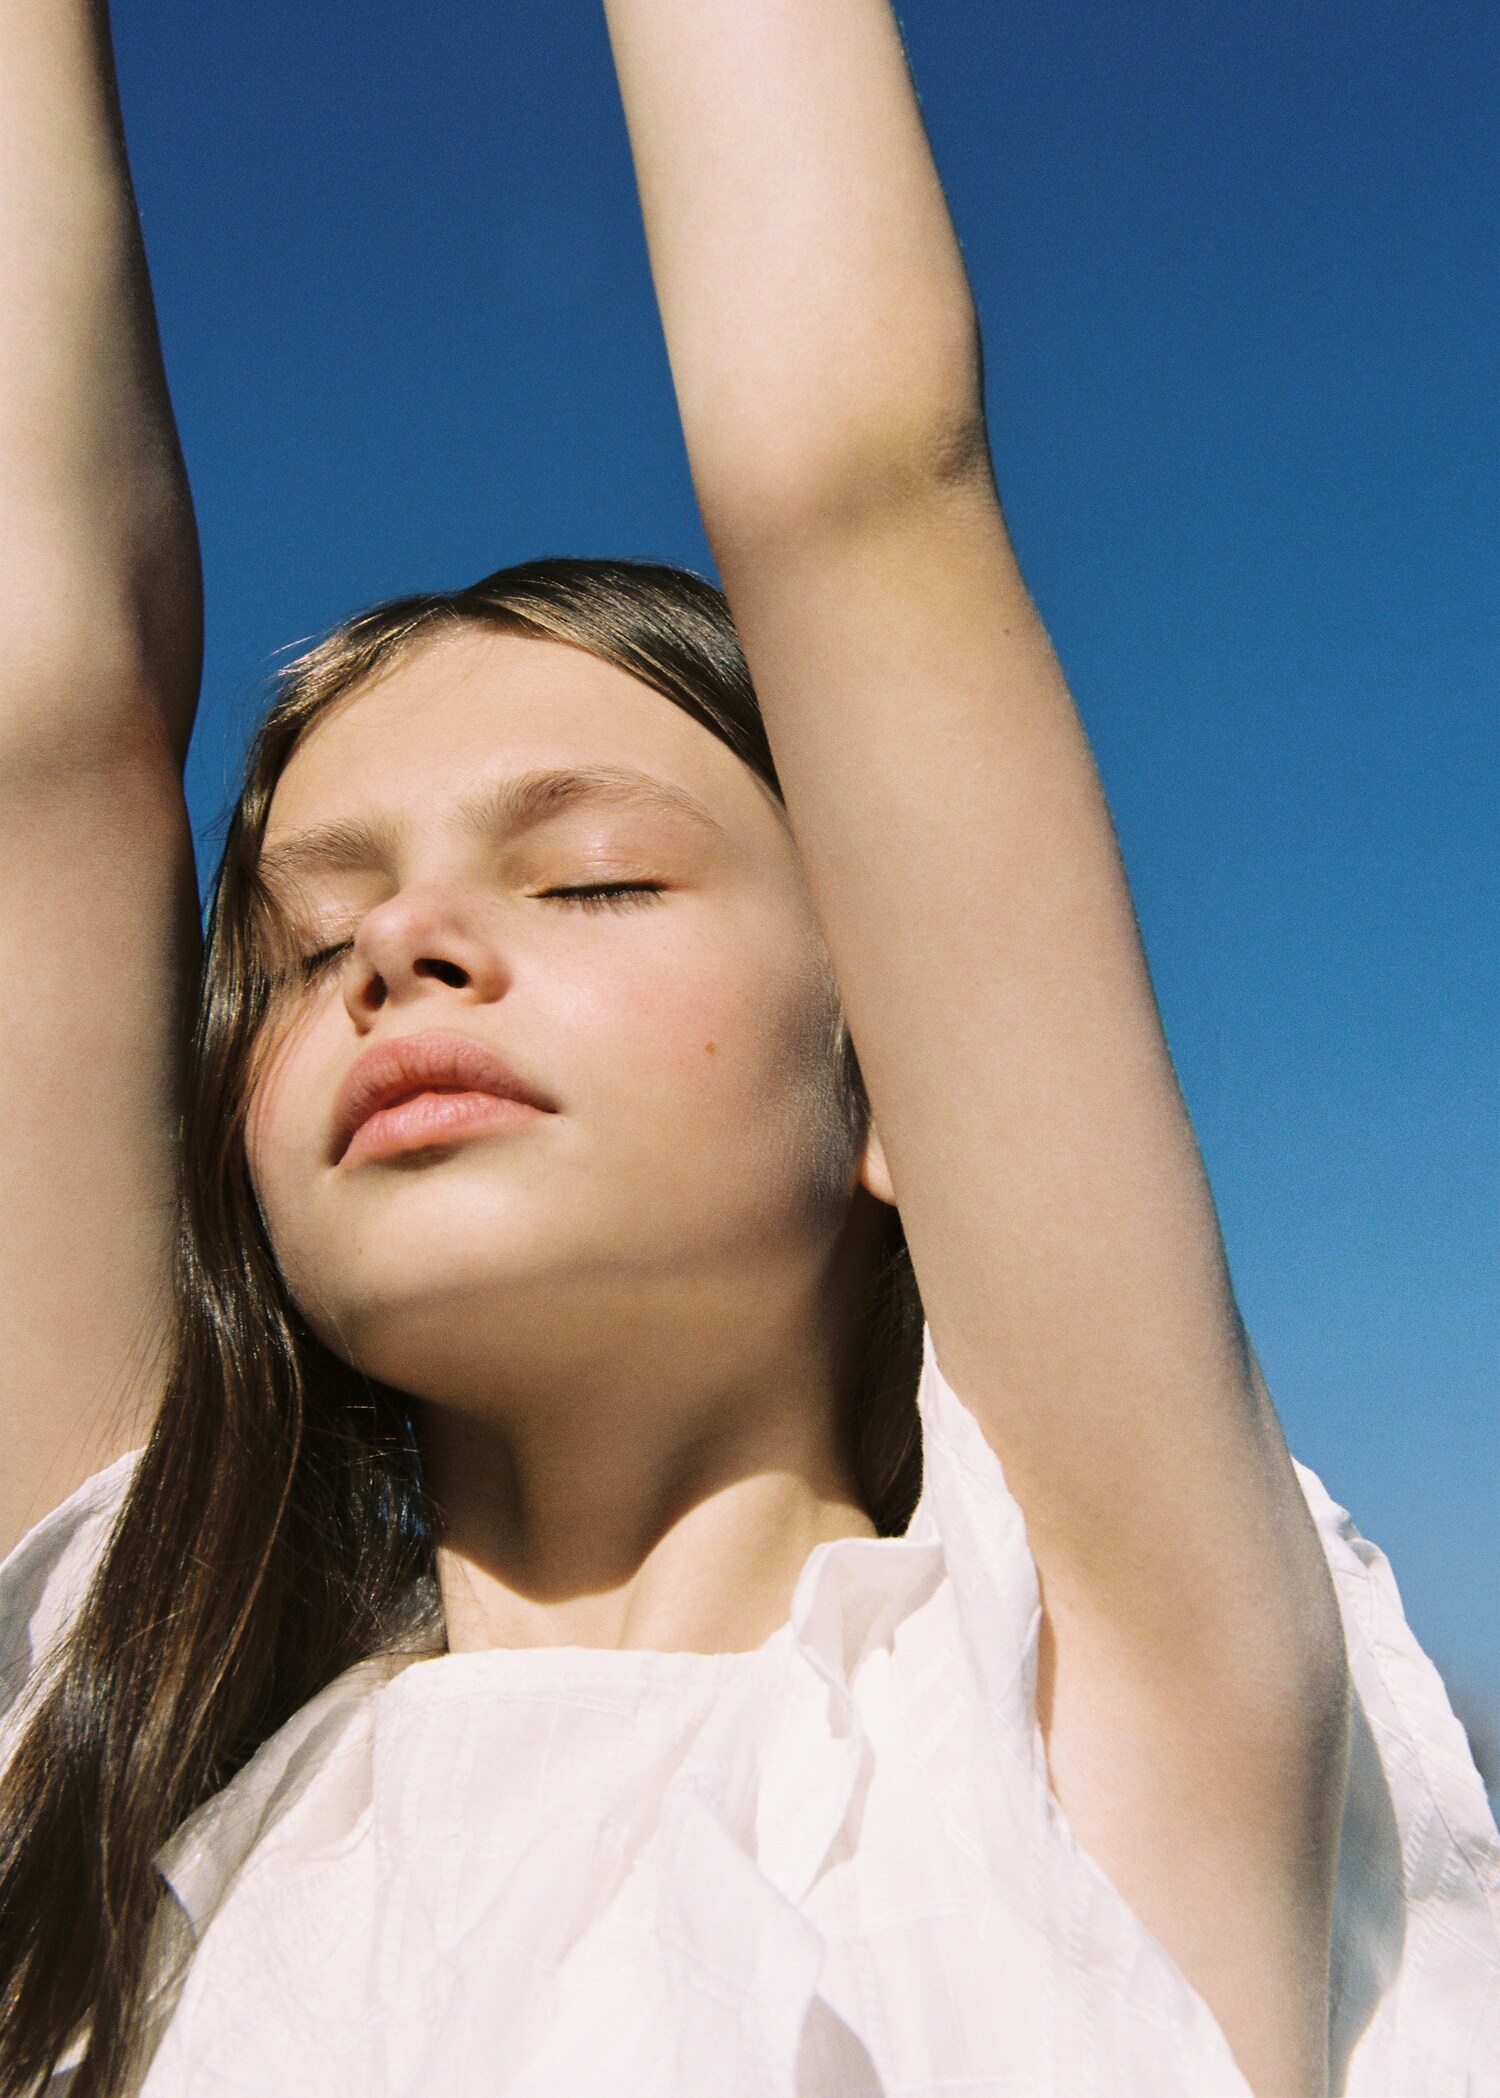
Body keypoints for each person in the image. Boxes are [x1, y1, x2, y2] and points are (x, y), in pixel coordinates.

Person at [0, 1, 1494, 2093]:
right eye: (313, 932)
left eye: (592, 877)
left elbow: (854, 470)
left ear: (894, 1076)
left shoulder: (1070, 1697)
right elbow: (35, 711)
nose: (402, 947)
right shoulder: (112, 1793)